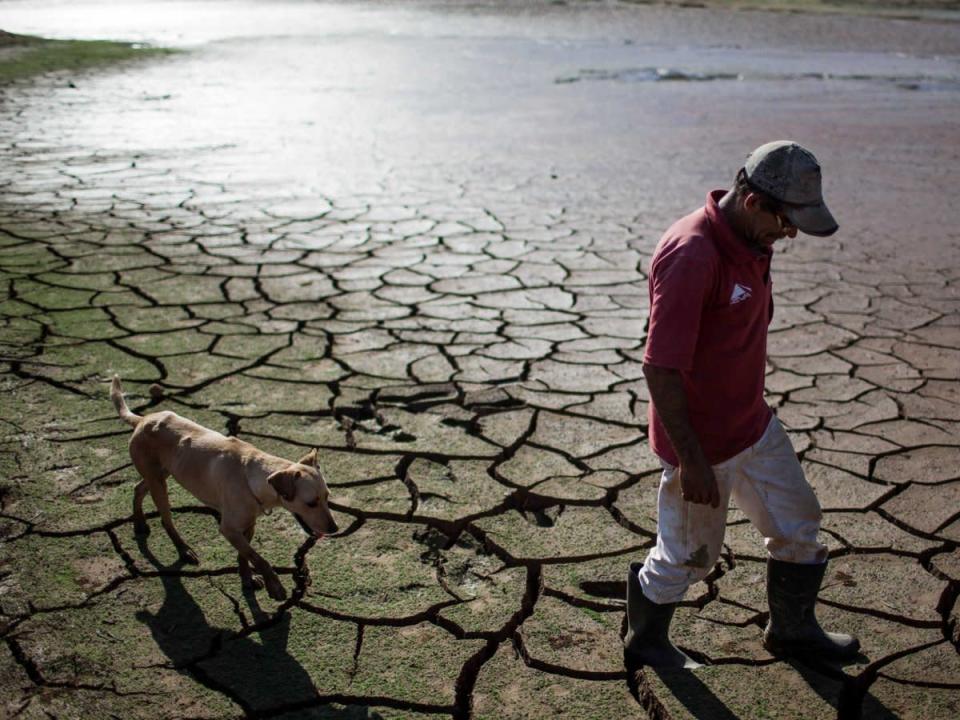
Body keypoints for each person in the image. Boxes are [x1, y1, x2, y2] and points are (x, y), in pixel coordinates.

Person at [624, 141, 860, 669]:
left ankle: (792, 632)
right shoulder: (692, 255)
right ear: (754, 202)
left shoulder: (752, 238)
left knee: (800, 525)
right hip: (703, 445)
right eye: (788, 220)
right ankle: (645, 642)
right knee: (688, 559)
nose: (792, 233)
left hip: (753, 427)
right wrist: (691, 461)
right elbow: (660, 367)